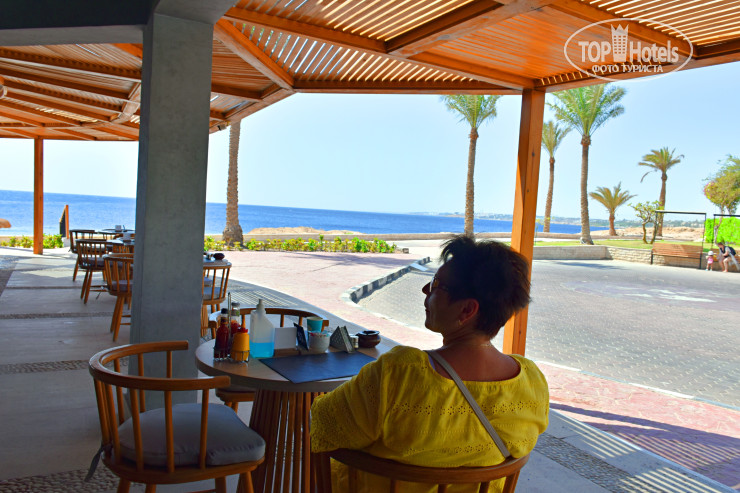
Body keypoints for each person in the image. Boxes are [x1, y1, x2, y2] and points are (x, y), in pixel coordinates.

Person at [310, 235, 549, 493]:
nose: (426, 290)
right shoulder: (532, 383)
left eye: (436, 285)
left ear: (467, 310)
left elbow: (322, 425)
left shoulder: (399, 374)